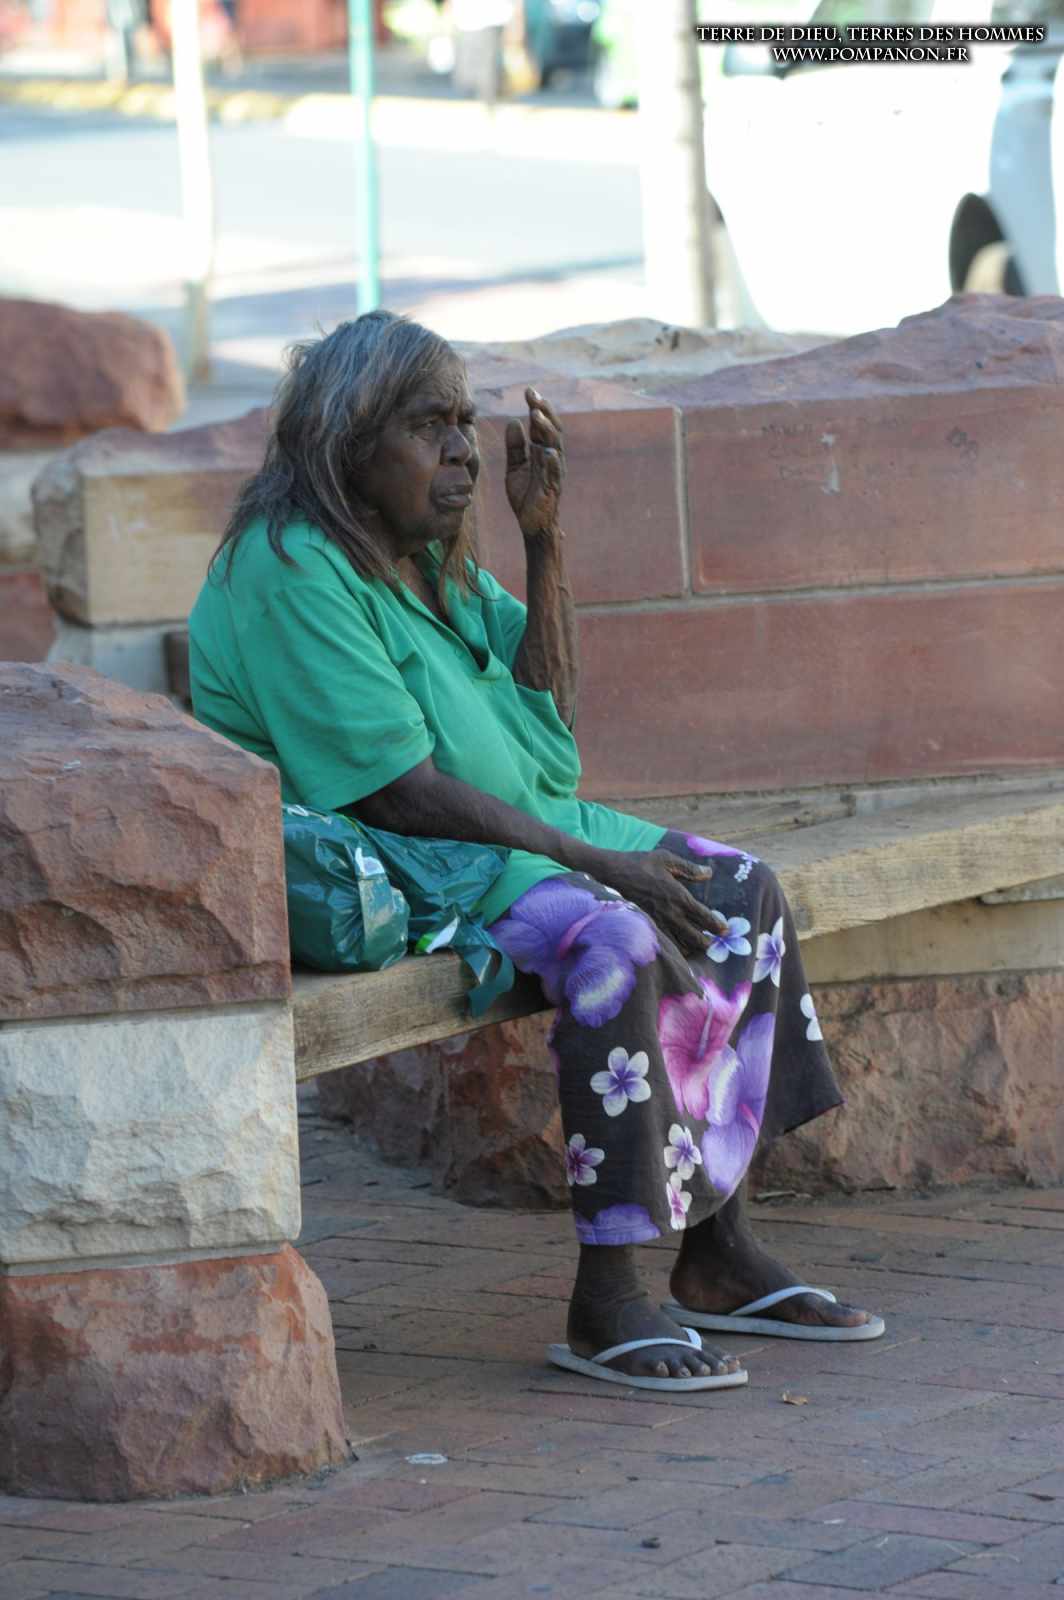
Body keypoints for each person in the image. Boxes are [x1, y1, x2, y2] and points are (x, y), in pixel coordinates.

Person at [189, 310, 884, 1393]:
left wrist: (544, 537)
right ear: (347, 442)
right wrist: (598, 868)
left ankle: (718, 1251)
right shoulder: (291, 568)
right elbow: (397, 792)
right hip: (404, 867)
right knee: (619, 939)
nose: (462, 451)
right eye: (429, 425)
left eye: (464, 423)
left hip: (514, 833)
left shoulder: (424, 558)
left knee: (738, 890)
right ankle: (607, 1298)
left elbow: (551, 720)